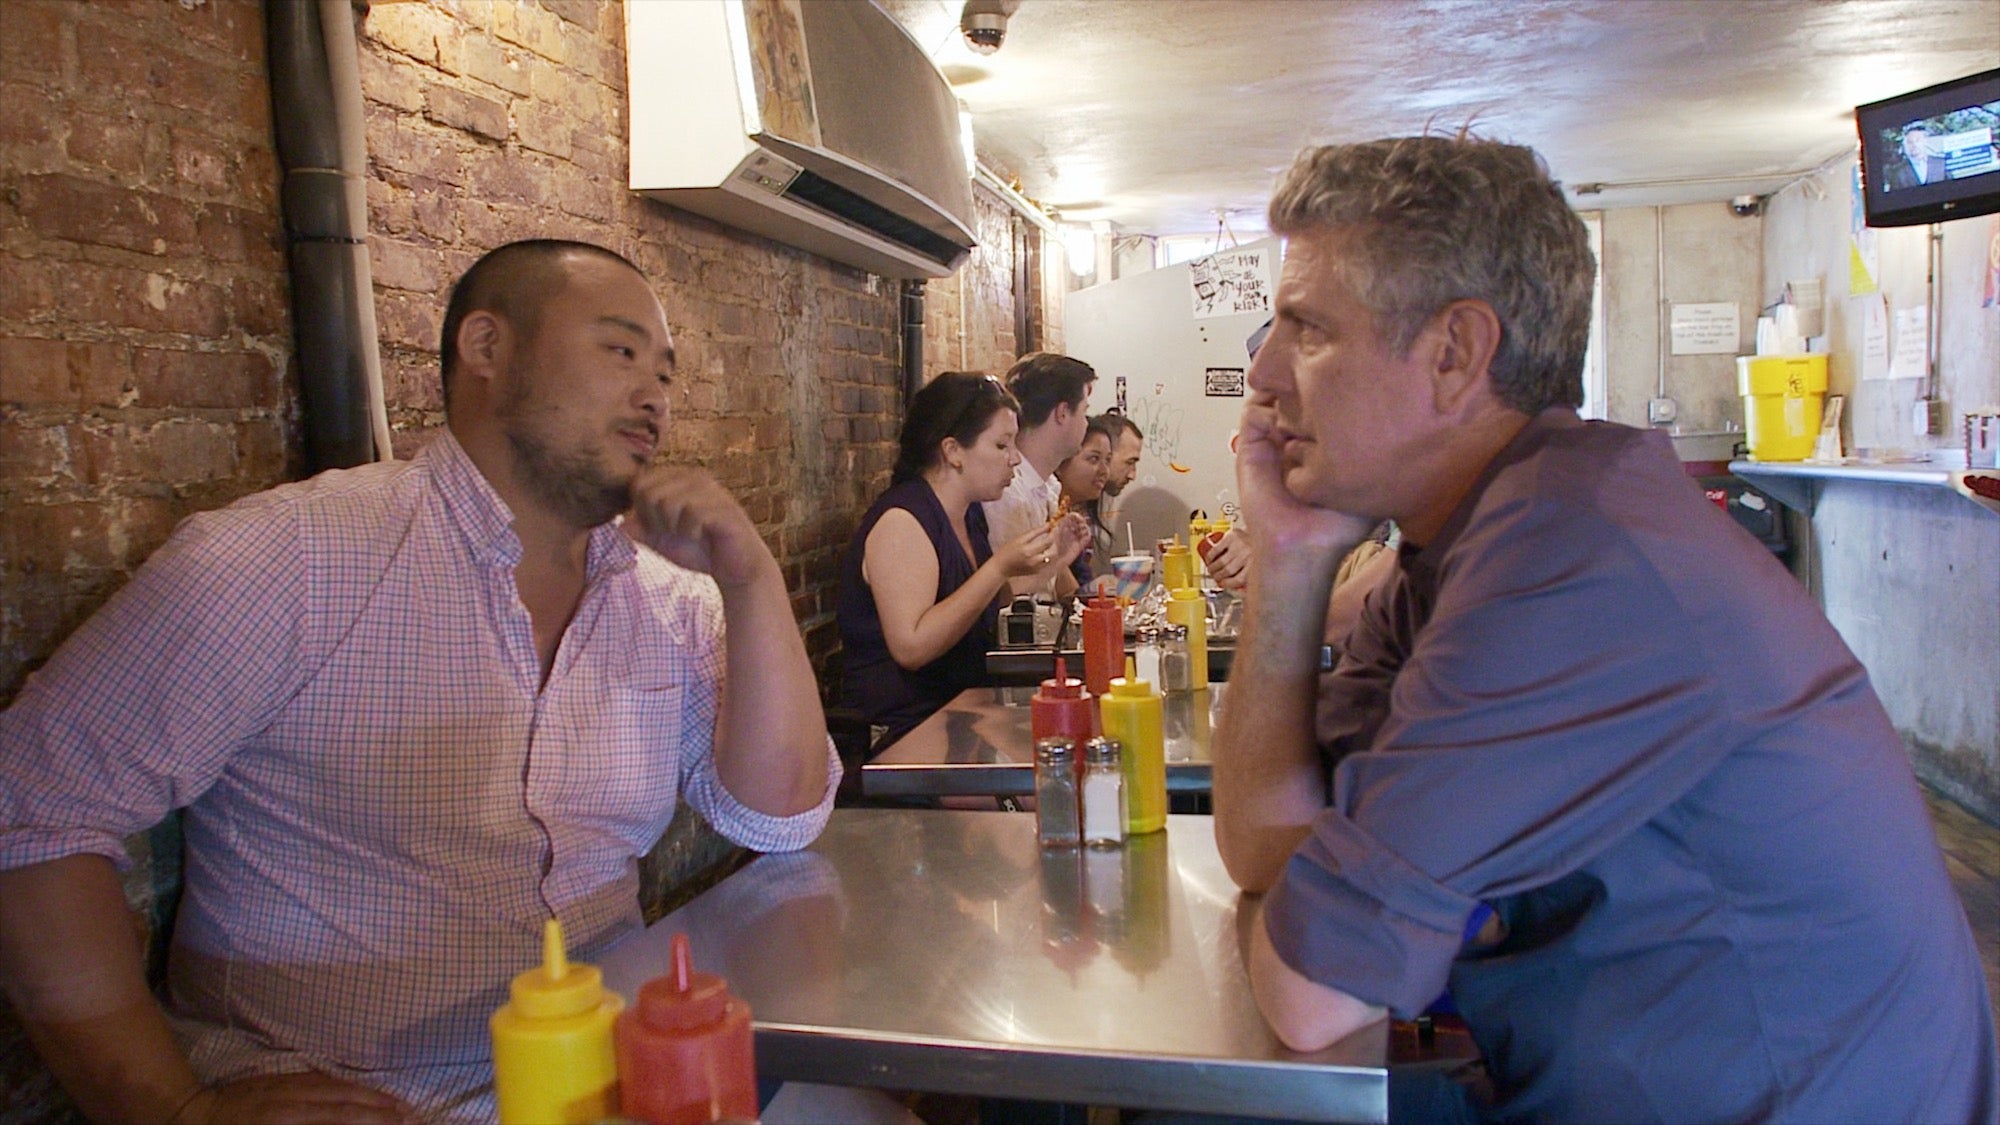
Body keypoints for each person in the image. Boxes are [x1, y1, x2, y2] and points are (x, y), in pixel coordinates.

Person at [1214, 136, 1996, 1122]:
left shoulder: (1566, 559)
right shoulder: (1461, 543)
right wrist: (1285, 564)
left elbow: (1310, 990)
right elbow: (1262, 849)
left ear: (1454, 352)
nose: (1264, 375)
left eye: (1306, 330)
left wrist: (1312, 899)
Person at [0, 240, 839, 1124]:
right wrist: (173, 1109)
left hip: (612, 1079)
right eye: (621, 351)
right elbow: (33, 807)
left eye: (666, 373)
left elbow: (776, 818)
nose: (655, 396)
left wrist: (750, 580)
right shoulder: (292, 559)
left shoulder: (669, 598)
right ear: (487, 347)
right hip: (368, 1094)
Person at [837, 372, 1086, 747]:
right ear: (953, 451)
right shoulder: (903, 521)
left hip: (962, 708)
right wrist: (998, 566)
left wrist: (1053, 564)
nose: (1015, 459)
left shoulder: (968, 514)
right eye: (1002, 445)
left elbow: (976, 600)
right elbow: (912, 646)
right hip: (904, 726)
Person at [981, 352, 1097, 598]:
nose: (1086, 423)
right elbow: (1008, 597)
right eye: (1084, 411)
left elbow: (1054, 582)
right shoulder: (1008, 491)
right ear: (1063, 412)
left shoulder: (1048, 484)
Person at [1055, 417, 1116, 588]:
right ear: (1060, 462)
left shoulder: (1079, 516)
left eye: (1108, 460)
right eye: (1094, 459)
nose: (1104, 471)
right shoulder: (1044, 517)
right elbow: (1070, 595)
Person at [1885, 123, 1948, 190]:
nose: (1914, 145)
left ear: (1925, 141)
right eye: (1910, 142)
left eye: (1918, 140)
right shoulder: (1898, 172)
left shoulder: (1941, 163)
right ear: (1905, 145)